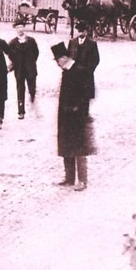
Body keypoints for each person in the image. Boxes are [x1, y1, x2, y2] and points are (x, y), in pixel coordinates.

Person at [51, 42, 96, 192]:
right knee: (65, 146)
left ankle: (83, 180)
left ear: (63, 58)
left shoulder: (81, 71)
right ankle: (69, 178)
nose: (57, 64)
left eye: (57, 61)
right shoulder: (66, 72)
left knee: (79, 149)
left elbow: (89, 93)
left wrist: (78, 108)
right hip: (64, 116)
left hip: (78, 117)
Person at [8, 22, 39, 120]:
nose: (20, 29)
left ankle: (33, 106)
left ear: (24, 28)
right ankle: (21, 111)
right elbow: (10, 55)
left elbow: (36, 53)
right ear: (15, 29)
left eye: (21, 27)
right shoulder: (12, 43)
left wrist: (30, 62)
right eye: (17, 27)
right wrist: (17, 63)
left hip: (30, 69)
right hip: (19, 70)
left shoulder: (31, 41)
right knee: (20, 90)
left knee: (32, 88)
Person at [67, 21, 100, 112]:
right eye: (79, 31)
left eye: (83, 31)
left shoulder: (92, 44)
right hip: (74, 73)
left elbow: (96, 59)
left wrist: (89, 70)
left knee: (85, 94)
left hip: (86, 74)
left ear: (86, 32)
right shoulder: (72, 42)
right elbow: (68, 56)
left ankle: (85, 112)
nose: (81, 33)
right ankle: (75, 111)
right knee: (75, 92)